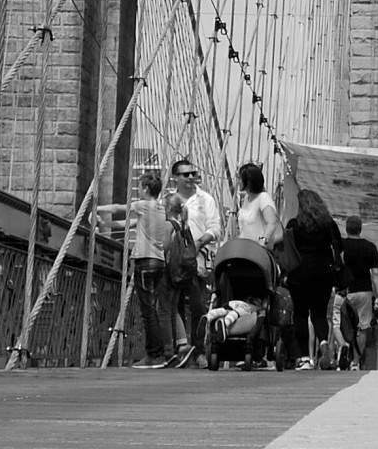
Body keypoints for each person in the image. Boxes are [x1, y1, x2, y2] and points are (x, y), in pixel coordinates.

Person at [106, 167, 173, 367]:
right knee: (153, 309)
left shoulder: (145, 205)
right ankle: (160, 352)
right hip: (159, 262)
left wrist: (95, 209)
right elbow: (130, 224)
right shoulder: (160, 209)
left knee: (148, 311)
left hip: (145, 261)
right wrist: (104, 225)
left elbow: (118, 208)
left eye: (140, 187)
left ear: (145, 188)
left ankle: (155, 355)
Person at [166, 157, 222, 365]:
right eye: (185, 174)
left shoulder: (205, 199)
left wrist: (197, 244)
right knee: (174, 305)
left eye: (193, 173)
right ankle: (178, 349)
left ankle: (199, 351)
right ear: (175, 178)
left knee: (198, 305)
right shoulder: (169, 201)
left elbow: (215, 228)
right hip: (174, 261)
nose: (191, 177)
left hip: (196, 259)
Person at [281, 187, 342, 368]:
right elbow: (340, 249)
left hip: (299, 274)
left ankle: (306, 359)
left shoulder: (293, 224)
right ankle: (323, 344)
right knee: (320, 315)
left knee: (300, 314)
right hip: (323, 274)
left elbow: (287, 251)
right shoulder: (329, 224)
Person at [335, 214, 378, 369]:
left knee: (337, 324)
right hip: (364, 291)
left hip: (343, 291)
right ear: (360, 229)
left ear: (346, 229)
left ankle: (342, 349)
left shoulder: (340, 246)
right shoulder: (370, 247)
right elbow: (375, 273)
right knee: (362, 327)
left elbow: (335, 268)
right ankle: (355, 362)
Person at [233, 162, 280, 247]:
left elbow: (272, 223)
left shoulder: (263, 198)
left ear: (248, 181)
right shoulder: (247, 198)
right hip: (245, 249)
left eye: (239, 178)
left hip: (258, 252)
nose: (238, 181)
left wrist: (263, 241)